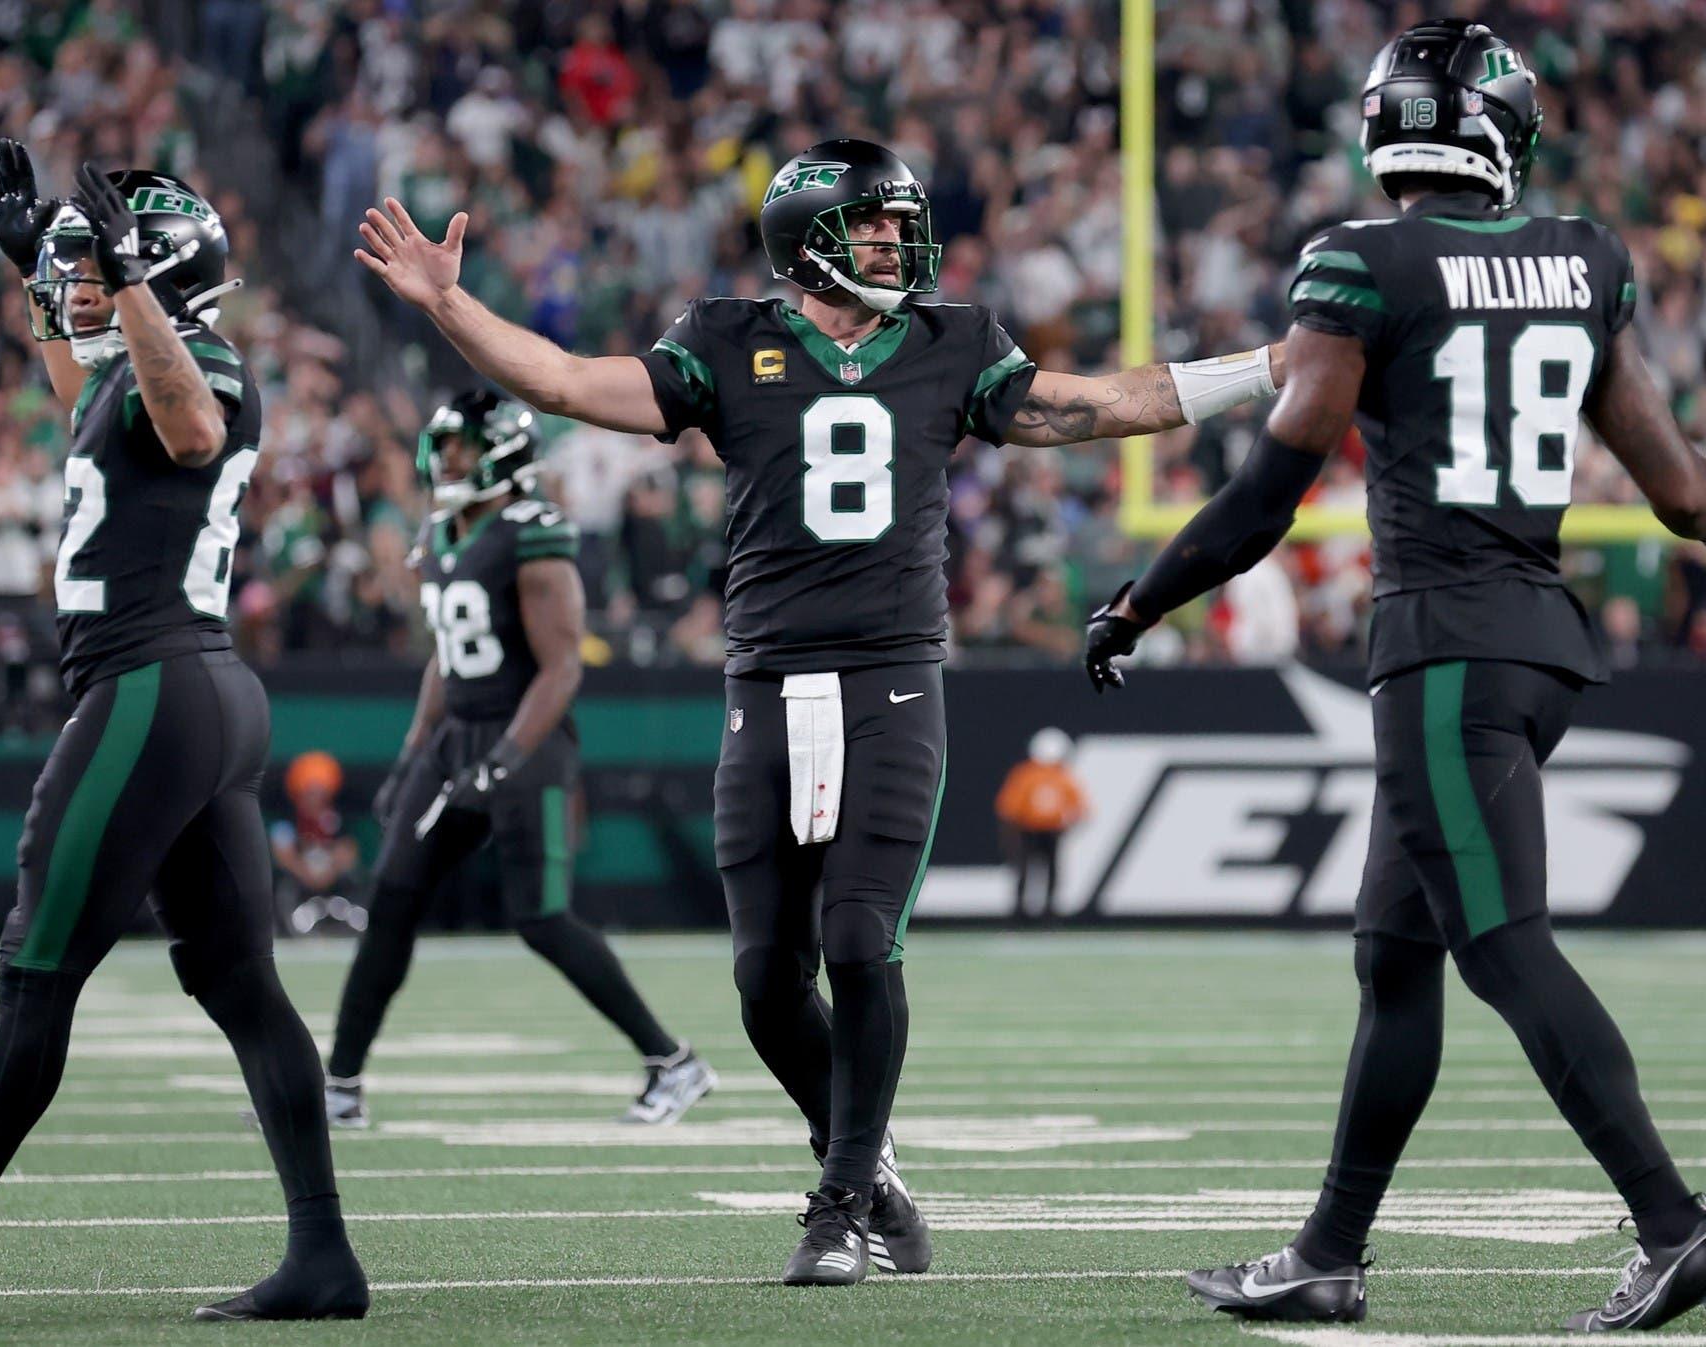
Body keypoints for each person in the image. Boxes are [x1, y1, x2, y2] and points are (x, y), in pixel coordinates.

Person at [355, 137, 1285, 1284]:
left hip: (891, 679)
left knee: (859, 939)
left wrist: (1266, 367)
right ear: (807, 239)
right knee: (761, 979)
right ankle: (870, 1164)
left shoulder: (955, 342)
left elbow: (1096, 405)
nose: (899, 242)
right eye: (876, 224)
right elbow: (561, 381)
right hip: (765, 681)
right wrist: (453, 308)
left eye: (901, 223)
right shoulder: (723, 340)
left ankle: (840, 1200)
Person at [1081, 21, 1706, 1329]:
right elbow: (1679, 493)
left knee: (1501, 948)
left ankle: (1675, 1225)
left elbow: (1272, 486)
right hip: (1534, 642)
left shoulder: (1359, 262)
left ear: (1385, 127)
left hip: (1443, 645)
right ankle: (1325, 1252)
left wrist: (1139, 598)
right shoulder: (1582, 258)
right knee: (1394, 952)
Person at [0, 142, 367, 1324]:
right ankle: (324, 1257)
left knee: (35, 971)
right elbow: (92, 407)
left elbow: (192, 429)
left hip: (151, 688)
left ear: (162, 270)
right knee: (241, 983)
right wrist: (30, 285)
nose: (79, 288)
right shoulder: (128, 373)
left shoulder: (203, 362)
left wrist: (132, 283)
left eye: (98, 271)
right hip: (192, 690)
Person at [324, 389, 716, 1129]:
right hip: (455, 738)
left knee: (540, 918)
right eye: (441, 449)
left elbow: (562, 665)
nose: (445, 462)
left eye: (460, 449)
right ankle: (339, 1084)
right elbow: (446, 657)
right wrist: (415, 752)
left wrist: (505, 755)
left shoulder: (531, 531)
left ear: (500, 452)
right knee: (392, 900)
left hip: (524, 740)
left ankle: (673, 1060)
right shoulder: (444, 528)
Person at [993, 727, 1085, 919]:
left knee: (1048, 871)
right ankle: (1023, 910)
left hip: (1049, 831)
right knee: (1028, 870)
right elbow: (1010, 808)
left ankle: (1045, 909)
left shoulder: (1051, 776)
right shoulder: (1030, 775)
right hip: (1029, 831)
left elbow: (1079, 808)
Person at [272, 749, 364, 934]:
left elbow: (348, 851)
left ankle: (351, 922)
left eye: (319, 791)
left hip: (332, 878)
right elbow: (283, 854)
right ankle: (292, 927)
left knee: (354, 880)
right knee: (282, 887)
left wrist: (330, 871)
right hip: (301, 880)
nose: (315, 797)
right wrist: (306, 873)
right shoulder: (288, 821)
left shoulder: (337, 820)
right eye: (310, 791)